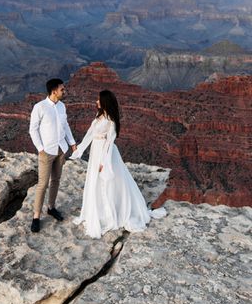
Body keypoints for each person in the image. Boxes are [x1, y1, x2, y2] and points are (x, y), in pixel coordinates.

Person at [70, 89, 166, 238]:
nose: (96, 101)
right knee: (96, 181)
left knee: (109, 181)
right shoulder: (99, 116)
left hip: (104, 153)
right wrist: (79, 150)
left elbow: (109, 142)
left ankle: (112, 211)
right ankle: (99, 209)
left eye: (98, 100)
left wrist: (104, 162)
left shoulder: (111, 121)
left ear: (105, 102)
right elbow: (89, 134)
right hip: (95, 151)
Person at [29, 78, 77, 233]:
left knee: (56, 180)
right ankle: (36, 216)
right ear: (54, 91)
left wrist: (72, 143)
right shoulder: (40, 107)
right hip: (46, 151)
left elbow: (66, 126)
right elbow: (33, 129)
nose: (65, 91)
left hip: (61, 149)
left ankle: (51, 207)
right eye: (62, 89)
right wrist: (40, 148)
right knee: (42, 184)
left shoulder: (62, 106)